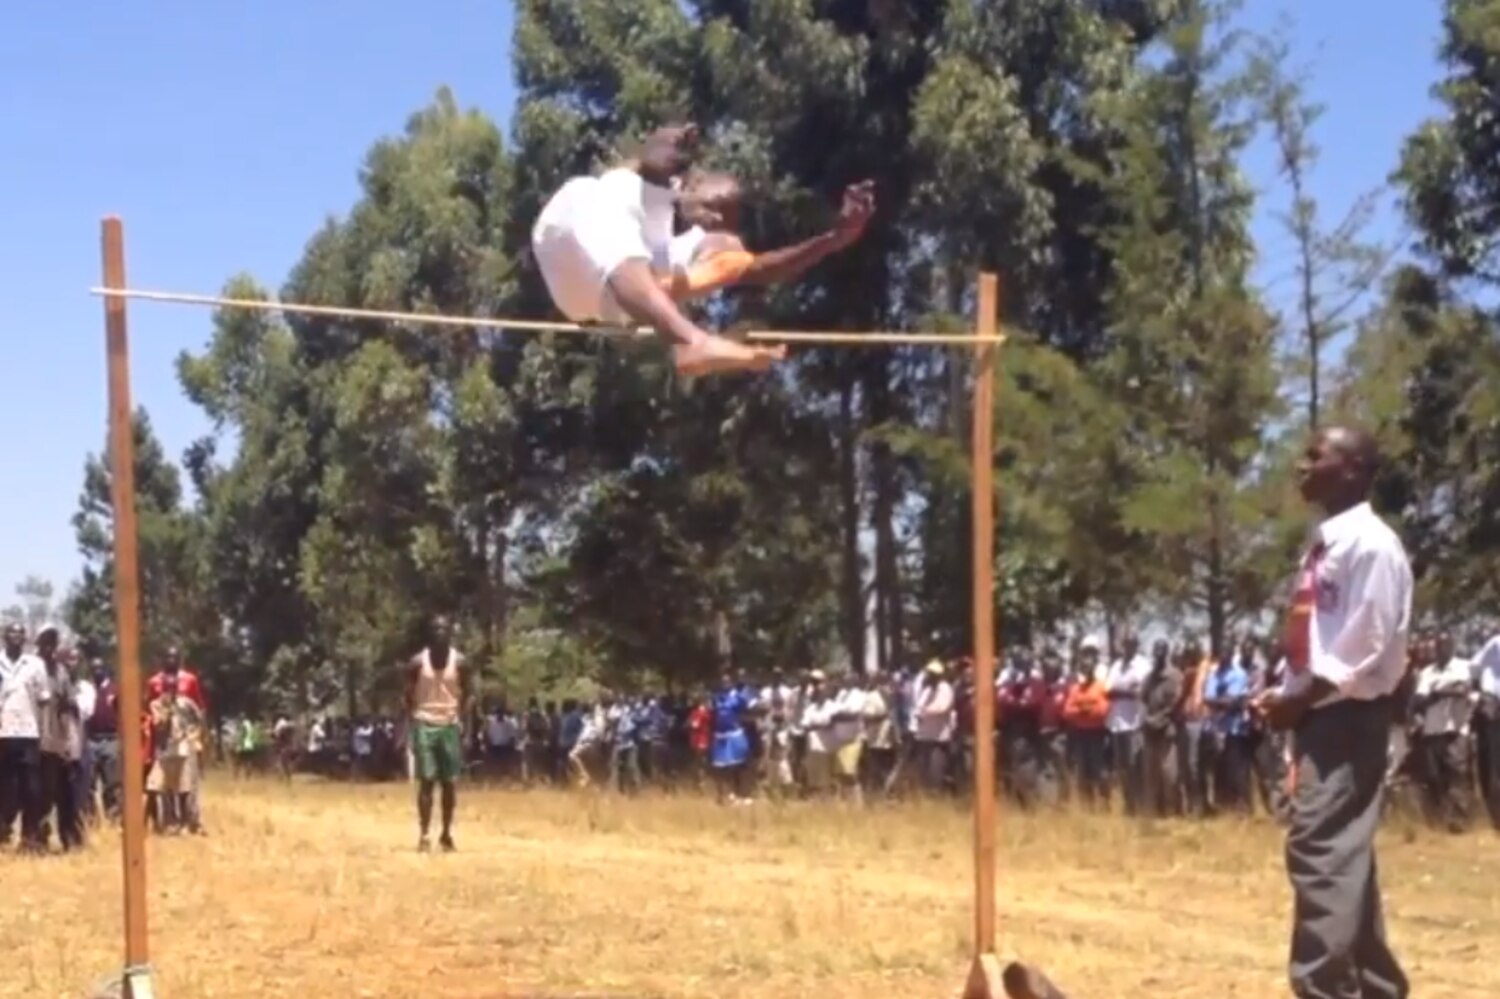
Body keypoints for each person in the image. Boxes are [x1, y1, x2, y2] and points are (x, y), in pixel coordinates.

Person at [1253, 426, 1412, 999]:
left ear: (1354, 468)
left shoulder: (1370, 544)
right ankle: (1375, 988)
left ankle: (1322, 988)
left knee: (1318, 849)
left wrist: (1304, 698)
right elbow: (1324, 637)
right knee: (1345, 856)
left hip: (1348, 717)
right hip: (1324, 712)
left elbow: (1365, 639)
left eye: (1316, 455)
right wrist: (1286, 690)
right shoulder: (1328, 544)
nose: (1302, 465)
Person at [531, 123, 873, 377]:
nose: (713, 219)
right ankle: (689, 340)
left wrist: (834, 239)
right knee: (613, 193)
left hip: (603, 299)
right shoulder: (649, 187)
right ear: (691, 185)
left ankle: (671, 321)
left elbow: (763, 269)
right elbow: (650, 159)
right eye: (713, 206)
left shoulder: (693, 242)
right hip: (565, 240)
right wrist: (670, 143)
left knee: (729, 252)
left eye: (724, 216)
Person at [404, 615, 469, 853]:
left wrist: (466, 727)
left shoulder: (460, 662)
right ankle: (424, 834)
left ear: (450, 633)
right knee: (427, 781)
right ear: (429, 633)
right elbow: (407, 697)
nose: (440, 632)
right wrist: (408, 727)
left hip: (450, 724)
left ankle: (446, 833)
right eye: (436, 628)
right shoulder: (417, 664)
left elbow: (468, 695)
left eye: (445, 628)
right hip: (424, 722)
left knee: (449, 783)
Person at [0, 623, 47, 852]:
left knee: (31, 788)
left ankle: (30, 837)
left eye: (20, 633)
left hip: (28, 732)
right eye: (11, 633)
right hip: (3, 734)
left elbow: (44, 698)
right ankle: (4, 833)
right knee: (5, 787)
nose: (16, 637)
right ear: (4, 637)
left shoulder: (35, 665)